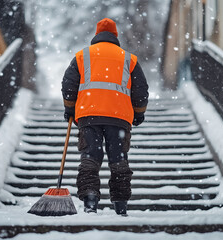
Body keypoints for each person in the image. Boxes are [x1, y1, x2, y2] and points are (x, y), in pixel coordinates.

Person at [61, 18, 149, 215]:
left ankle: (90, 202)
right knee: (119, 161)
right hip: (119, 118)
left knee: (90, 158)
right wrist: (139, 113)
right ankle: (120, 205)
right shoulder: (129, 59)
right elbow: (141, 90)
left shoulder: (82, 56)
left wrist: (69, 109)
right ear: (115, 36)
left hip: (88, 116)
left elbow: (68, 86)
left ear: (96, 35)